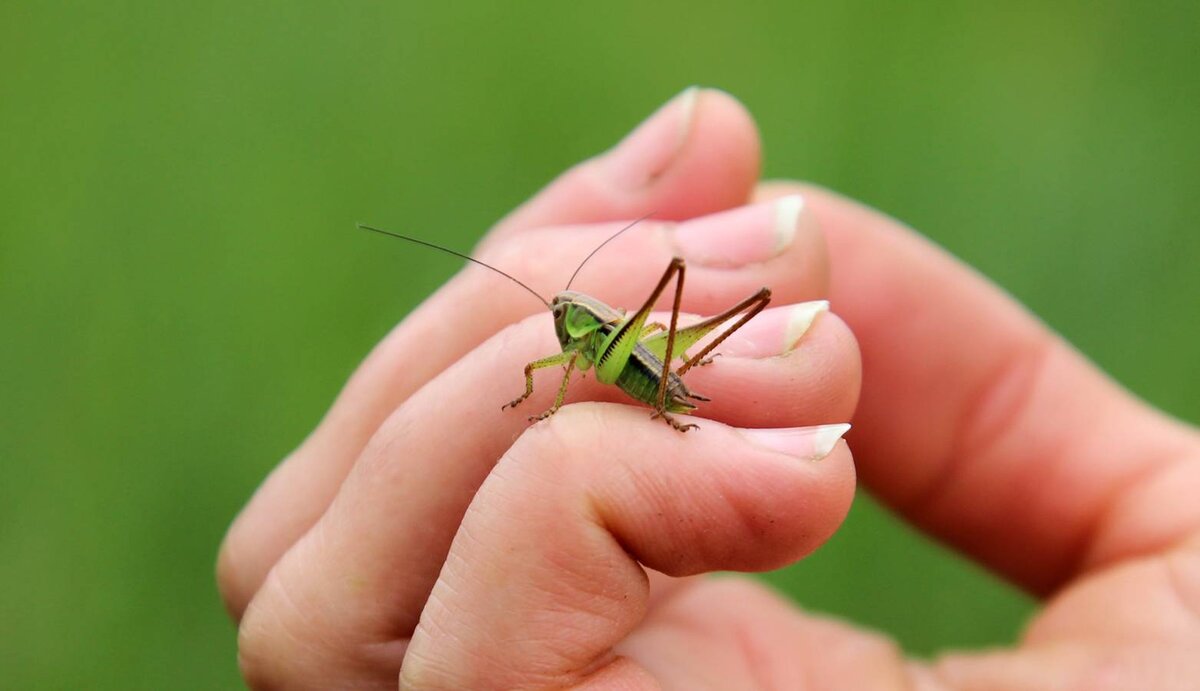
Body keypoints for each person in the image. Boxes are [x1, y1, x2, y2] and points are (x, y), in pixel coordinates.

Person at [217, 89, 1200, 689]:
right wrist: (533, 400)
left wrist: (639, 377)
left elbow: (571, 372)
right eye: (561, 331)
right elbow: (543, 378)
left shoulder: (598, 340)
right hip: (648, 382)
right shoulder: (562, 355)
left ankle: (699, 371)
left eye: (567, 326)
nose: (561, 338)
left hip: (661, 373)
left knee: (708, 310)